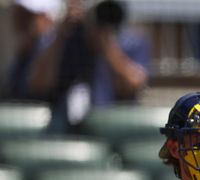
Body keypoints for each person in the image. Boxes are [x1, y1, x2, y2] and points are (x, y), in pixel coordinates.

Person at [26, 0, 150, 131]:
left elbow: (134, 86)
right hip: (63, 128)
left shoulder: (131, 41)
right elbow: (37, 84)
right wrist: (61, 35)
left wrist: (106, 44)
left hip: (112, 128)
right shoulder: (57, 39)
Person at [2, 0, 59, 100]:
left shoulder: (50, 48)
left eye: (28, 15)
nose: (19, 19)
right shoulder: (24, 50)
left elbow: (38, 86)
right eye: (18, 12)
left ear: (47, 18)